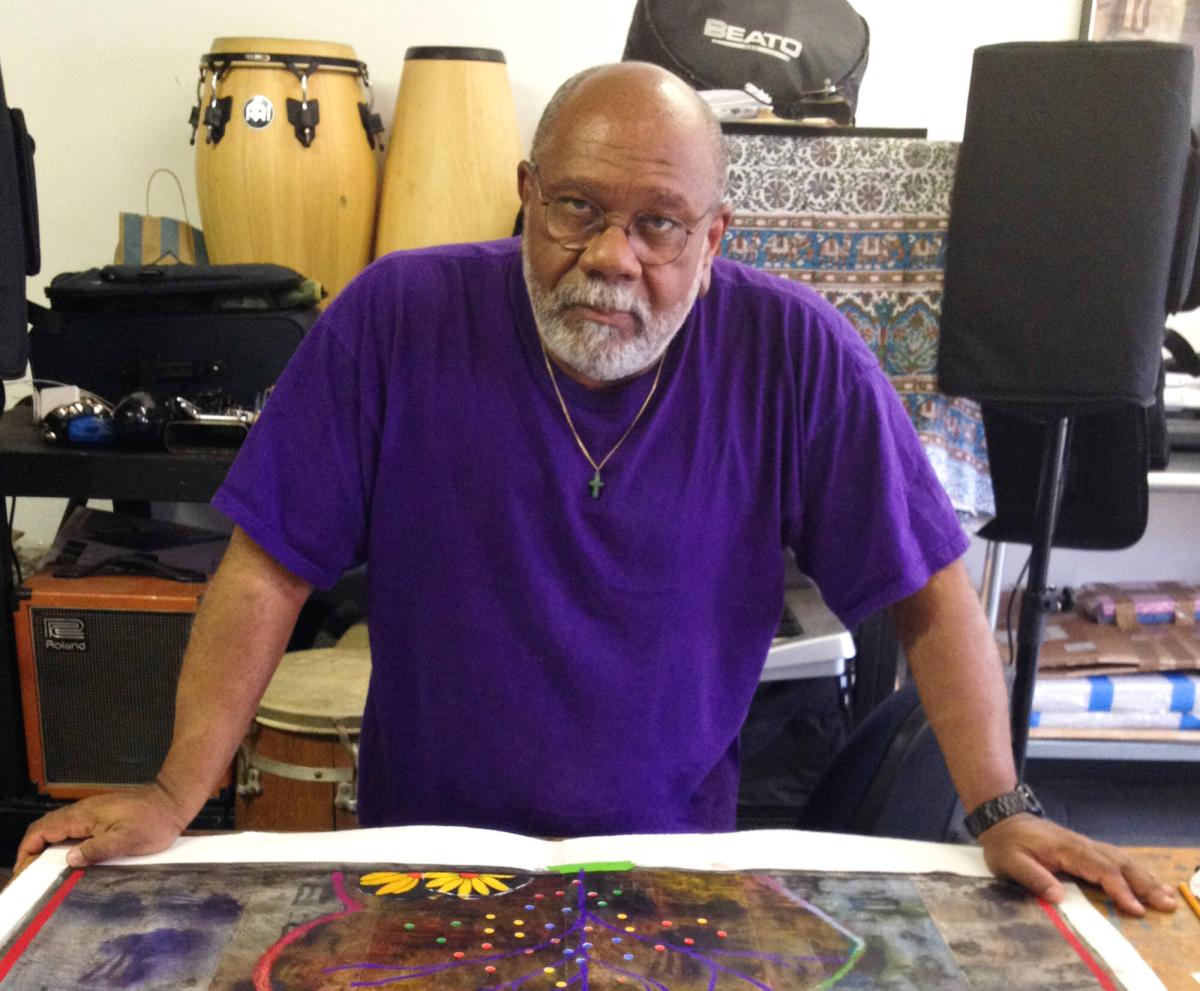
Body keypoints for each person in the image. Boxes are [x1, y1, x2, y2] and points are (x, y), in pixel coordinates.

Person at [15, 62, 1176, 917]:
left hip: (676, 868)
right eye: (577, 207)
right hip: (420, 860)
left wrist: (1000, 806)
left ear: (716, 237)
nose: (613, 256)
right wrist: (175, 790)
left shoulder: (797, 352)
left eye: (660, 226)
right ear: (527, 193)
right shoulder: (393, 319)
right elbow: (266, 570)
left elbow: (925, 588)